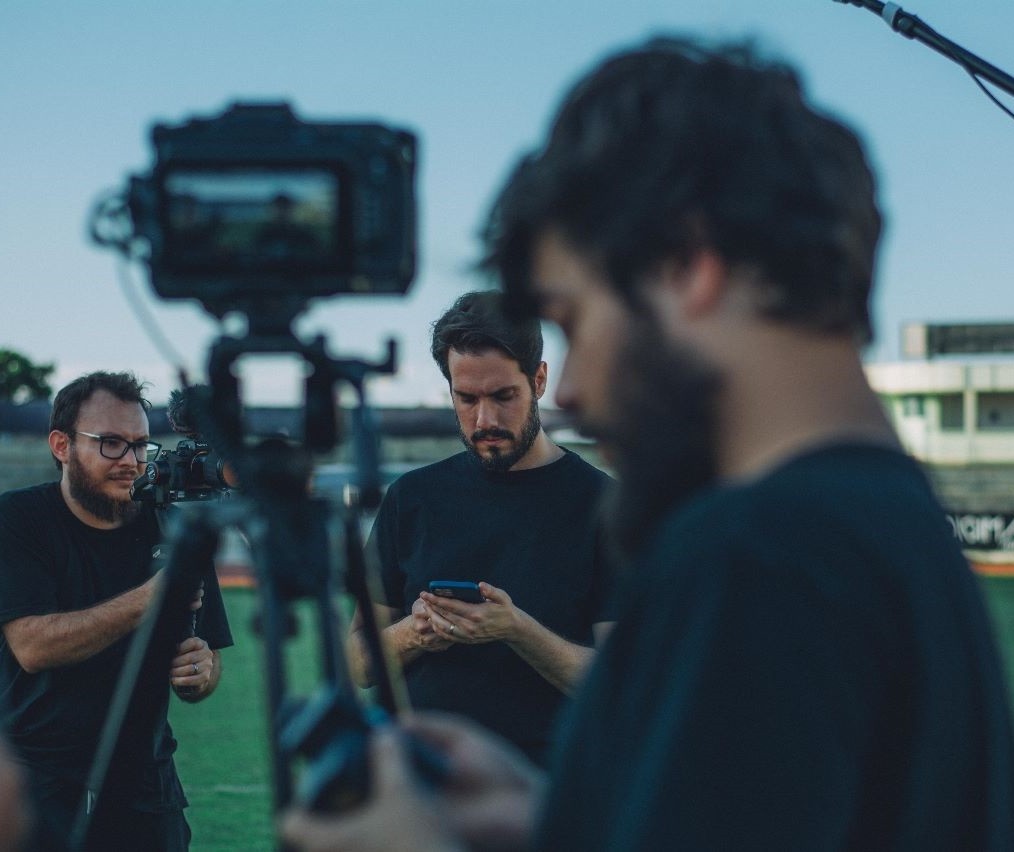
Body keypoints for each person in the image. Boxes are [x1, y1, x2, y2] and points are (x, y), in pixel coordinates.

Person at [282, 35, 1014, 851]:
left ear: (686, 266)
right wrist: (537, 817)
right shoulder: (886, 525)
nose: (577, 390)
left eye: (576, 318)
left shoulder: (758, 555)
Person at [347, 290, 614, 766]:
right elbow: (358, 664)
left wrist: (516, 629)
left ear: (539, 379)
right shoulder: (411, 497)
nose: (484, 419)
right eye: (466, 398)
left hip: (550, 787)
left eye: (503, 396)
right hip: (422, 780)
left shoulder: (606, 506)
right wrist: (415, 632)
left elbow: (624, 681)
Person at [0, 371, 234, 851]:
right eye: (111, 443)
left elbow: (207, 658)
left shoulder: (177, 522)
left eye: (140, 445)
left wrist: (202, 672)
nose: (131, 461)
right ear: (61, 445)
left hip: (147, 788)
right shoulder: (17, 520)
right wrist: (154, 597)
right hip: (36, 786)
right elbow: (32, 646)